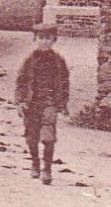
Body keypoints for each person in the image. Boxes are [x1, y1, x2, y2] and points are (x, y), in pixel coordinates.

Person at [15, 22, 70, 185]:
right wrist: (19, 102)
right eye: (41, 38)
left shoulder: (59, 61)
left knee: (48, 137)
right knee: (32, 137)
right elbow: (21, 82)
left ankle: (47, 169)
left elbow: (65, 83)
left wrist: (63, 103)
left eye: (48, 38)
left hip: (50, 102)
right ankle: (35, 163)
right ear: (35, 39)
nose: (44, 42)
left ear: (54, 40)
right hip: (31, 102)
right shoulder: (29, 61)